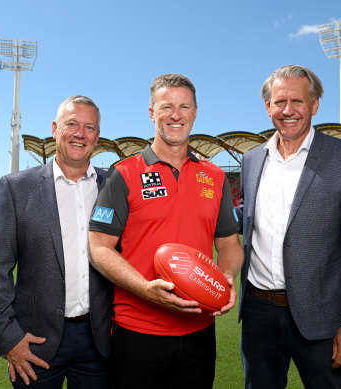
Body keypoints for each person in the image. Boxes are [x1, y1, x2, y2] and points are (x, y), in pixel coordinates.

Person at [88, 73, 244, 389]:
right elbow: (99, 247)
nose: (176, 115)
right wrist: (145, 288)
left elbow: (229, 244)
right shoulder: (124, 173)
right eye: (166, 106)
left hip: (199, 333)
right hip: (137, 333)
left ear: (195, 112)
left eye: (184, 107)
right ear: (151, 113)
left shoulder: (214, 177)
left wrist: (225, 279)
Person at [237, 65, 341, 388]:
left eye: (297, 101)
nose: (288, 111)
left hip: (321, 316)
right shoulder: (252, 160)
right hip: (259, 313)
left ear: (314, 105)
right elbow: (246, 216)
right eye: (279, 101)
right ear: (268, 106)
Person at [0, 95, 113, 388]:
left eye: (89, 127)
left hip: (99, 340)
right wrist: (9, 338)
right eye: (72, 124)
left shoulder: (114, 185)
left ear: (97, 136)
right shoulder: (16, 187)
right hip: (33, 342)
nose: (80, 133)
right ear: (55, 128)